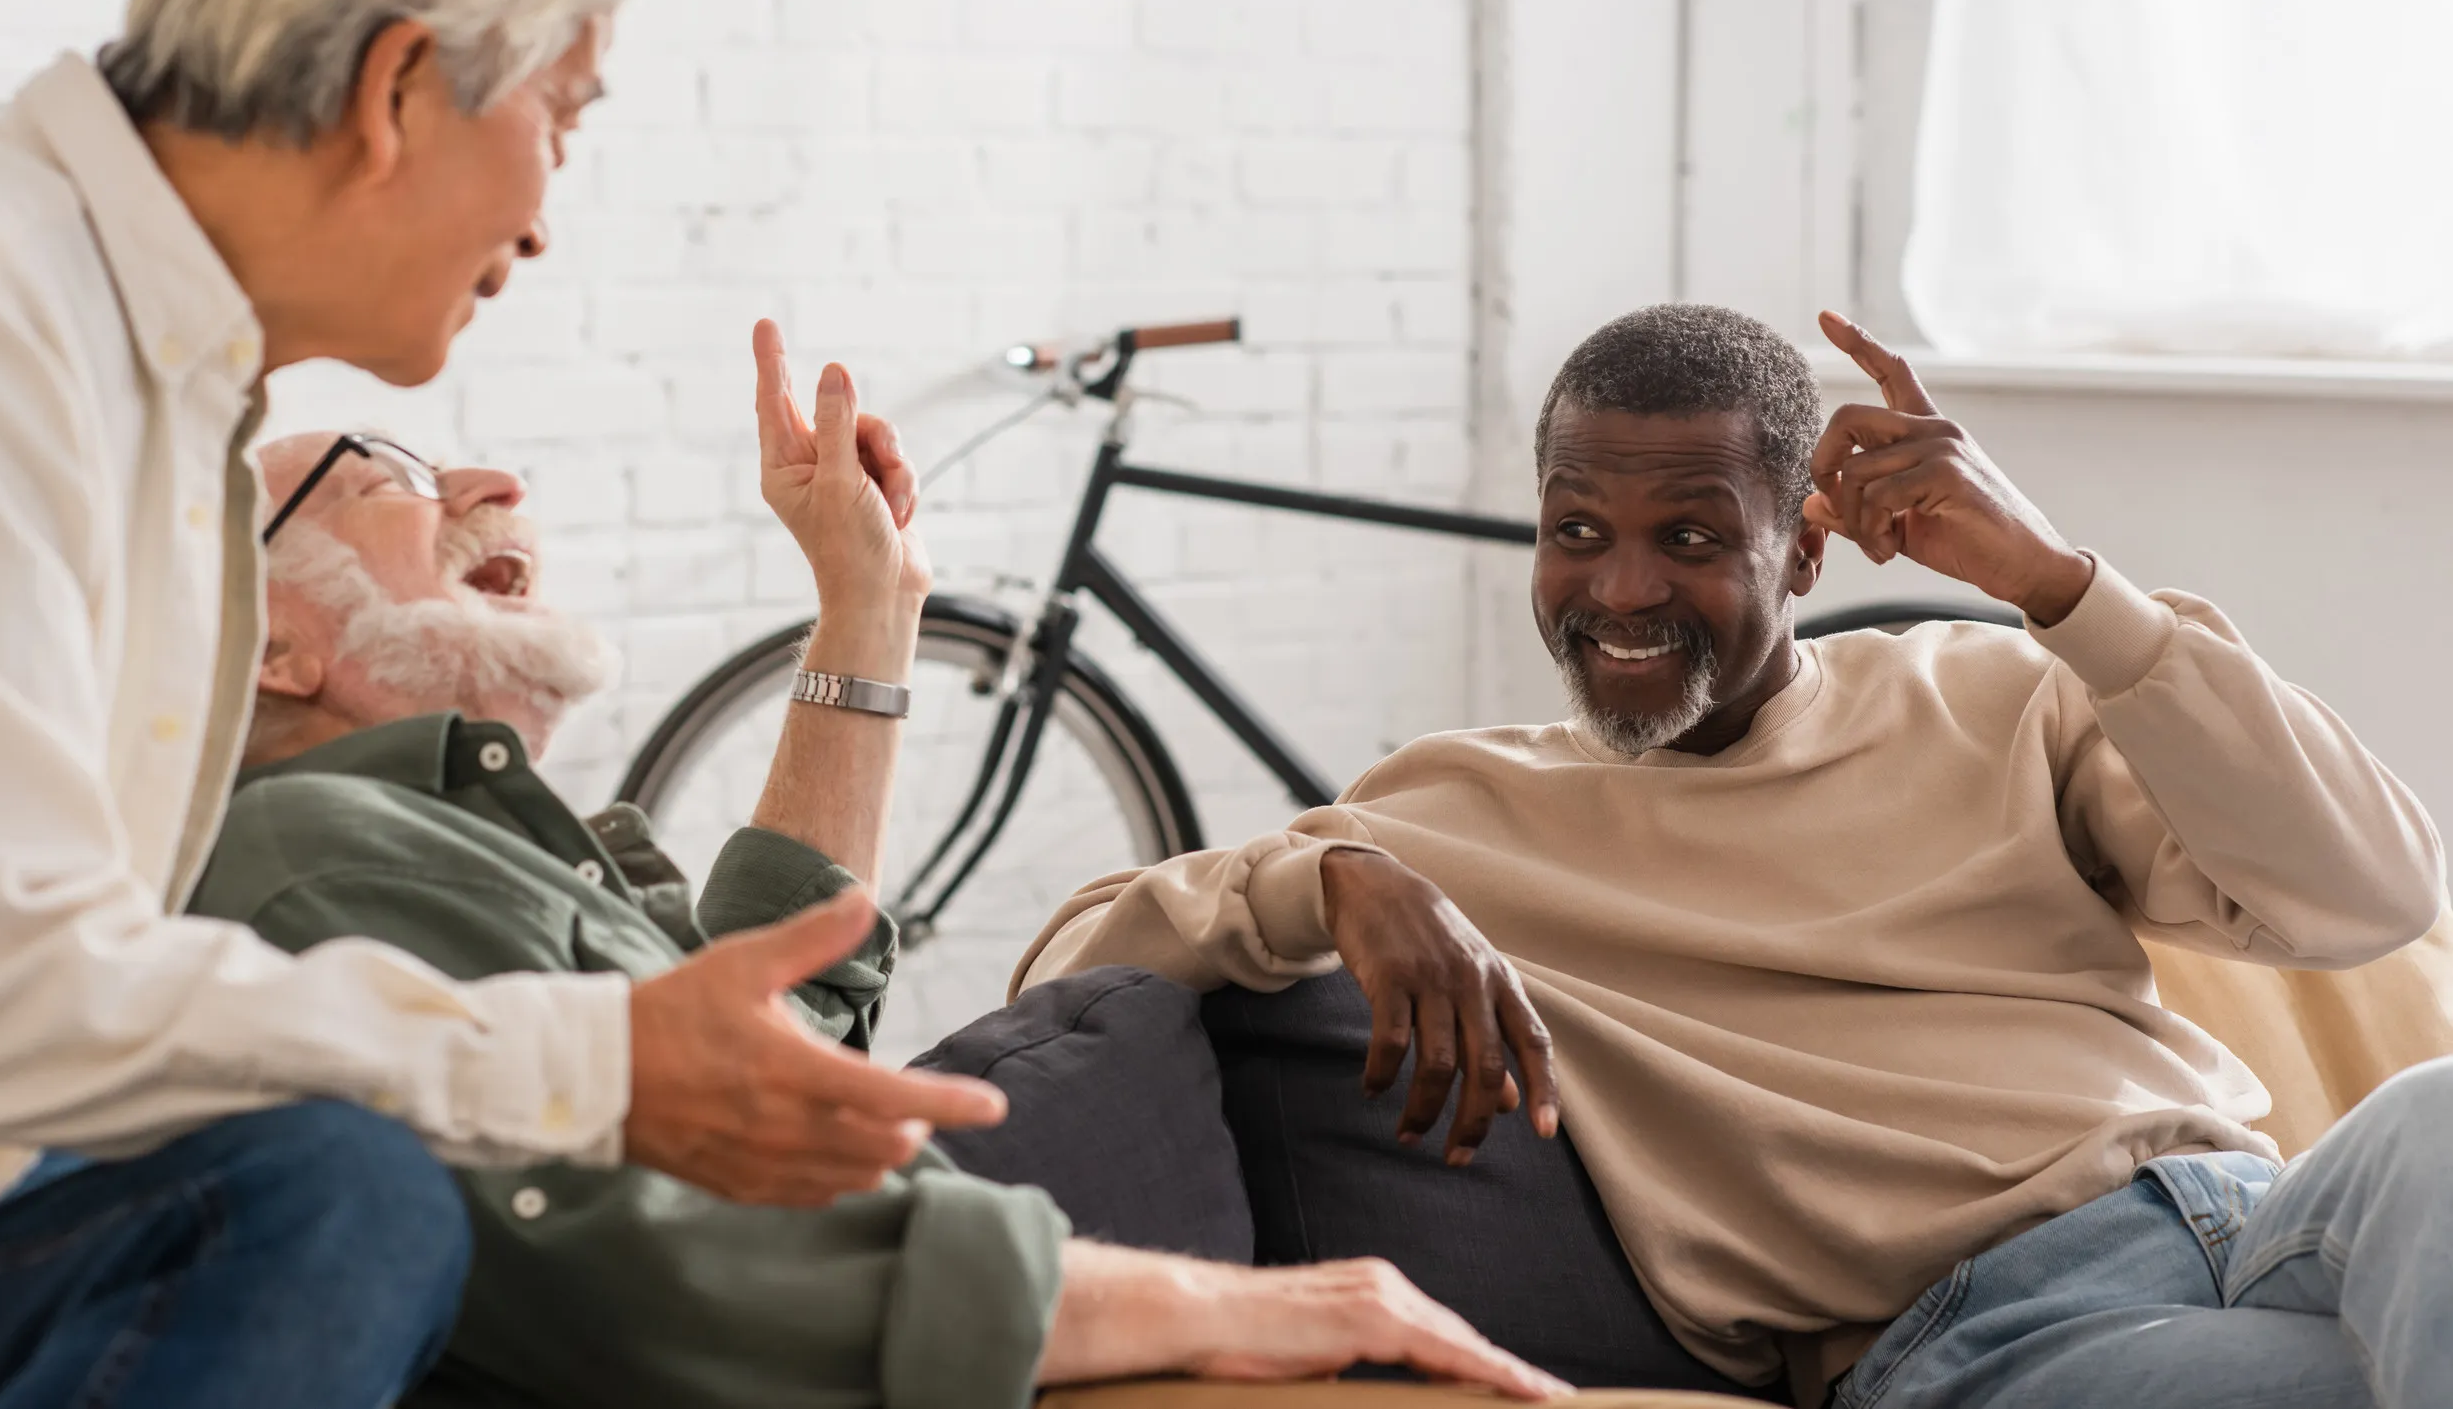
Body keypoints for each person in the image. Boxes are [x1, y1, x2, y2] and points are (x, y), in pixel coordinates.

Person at [0, 0, 1004, 1407]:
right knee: (341, 1188)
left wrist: (865, 620)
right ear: (398, 84)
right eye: (563, 119)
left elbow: (784, 1036)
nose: (550, 215)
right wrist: (588, 1067)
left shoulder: (148, 376)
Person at [1016, 303, 2450, 1409]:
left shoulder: (1986, 692)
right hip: (1999, 1335)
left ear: (1801, 553)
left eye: (1690, 536)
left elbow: (2372, 894)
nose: (1621, 590)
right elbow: (1064, 970)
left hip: (2268, 1209)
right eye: (1577, 533)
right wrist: (1320, 877)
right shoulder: (1445, 814)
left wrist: (2057, 588)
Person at [183, 320, 1569, 1409]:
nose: (493, 484)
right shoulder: (310, 859)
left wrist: (868, 601)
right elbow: (665, 1273)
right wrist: (1255, 1305)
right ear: (270, 646)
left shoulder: (461, 839)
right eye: (384, 474)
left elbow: (777, 1032)